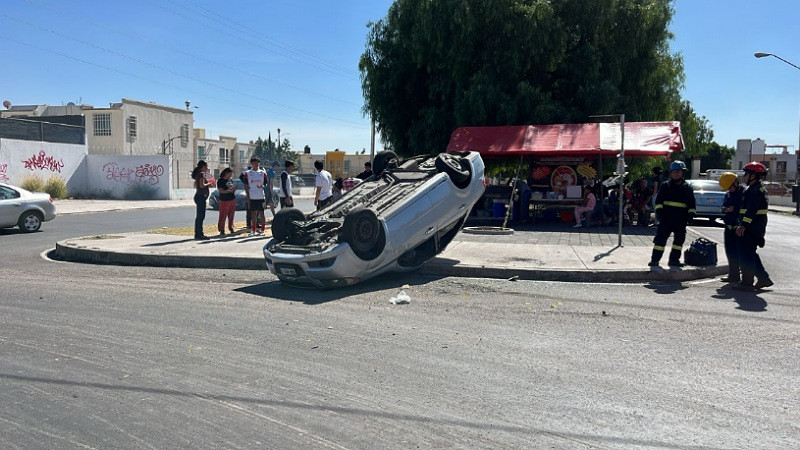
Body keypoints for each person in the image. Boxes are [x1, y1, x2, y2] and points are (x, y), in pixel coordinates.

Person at [648, 160, 696, 268]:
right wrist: (659, 213)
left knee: (678, 242)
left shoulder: (687, 188)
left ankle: (674, 261)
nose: (676, 174)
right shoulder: (665, 186)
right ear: (670, 173)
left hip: (681, 219)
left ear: (682, 173)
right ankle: (655, 260)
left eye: (678, 172)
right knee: (660, 240)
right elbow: (659, 201)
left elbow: (691, 203)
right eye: (674, 172)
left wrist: (691, 215)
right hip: (666, 218)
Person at [735, 162, 773, 290]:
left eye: (746, 174)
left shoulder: (755, 190)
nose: (744, 176)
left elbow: (751, 211)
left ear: (753, 176)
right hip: (755, 226)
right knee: (750, 253)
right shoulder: (755, 189)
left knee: (746, 255)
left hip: (751, 227)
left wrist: (743, 225)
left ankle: (747, 282)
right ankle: (763, 279)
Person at [719, 172, 744, 283]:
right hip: (728, 226)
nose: (729, 189)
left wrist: (734, 209)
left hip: (738, 227)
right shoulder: (728, 194)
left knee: (740, 252)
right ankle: (733, 276)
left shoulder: (743, 193)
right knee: (730, 252)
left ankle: (744, 277)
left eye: (730, 187)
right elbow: (724, 207)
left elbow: (743, 209)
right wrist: (726, 209)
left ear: (735, 183)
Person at [243, 156, 267, 236]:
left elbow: (265, 183)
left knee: (261, 213)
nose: (256, 164)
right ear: (252, 163)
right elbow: (246, 185)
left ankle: (262, 230)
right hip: (252, 196)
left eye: (257, 163)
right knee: (253, 214)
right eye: (254, 163)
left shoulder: (263, 173)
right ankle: (253, 230)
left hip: (260, 196)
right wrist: (248, 196)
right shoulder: (248, 173)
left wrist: (262, 186)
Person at [191, 160, 214, 240]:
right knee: (200, 216)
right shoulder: (201, 174)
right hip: (200, 197)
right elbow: (201, 185)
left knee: (200, 216)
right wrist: (209, 184)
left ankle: (198, 233)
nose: (207, 168)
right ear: (203, 166)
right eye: (206, 166)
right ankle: (199, 234)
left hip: (200, 197)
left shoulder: (199, 174)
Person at [216, 167, 236, 236]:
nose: (231, 175)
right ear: (226, 173)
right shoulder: (220, 181)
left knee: (231, 215)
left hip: (232, 199)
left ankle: (231, 227)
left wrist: (234, 189)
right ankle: (221, 229)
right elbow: (221, 190)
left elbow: (232, 188)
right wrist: (228, 191)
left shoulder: (230, 180)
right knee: (223, 215)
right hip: (224, 200)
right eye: (230, 173)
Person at [239, 165, 252, 230]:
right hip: (249, 193)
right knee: (249, 209)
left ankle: (254, 223)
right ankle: (249, 224)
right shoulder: (246, 175)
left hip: (255, 194)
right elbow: (241, 177)